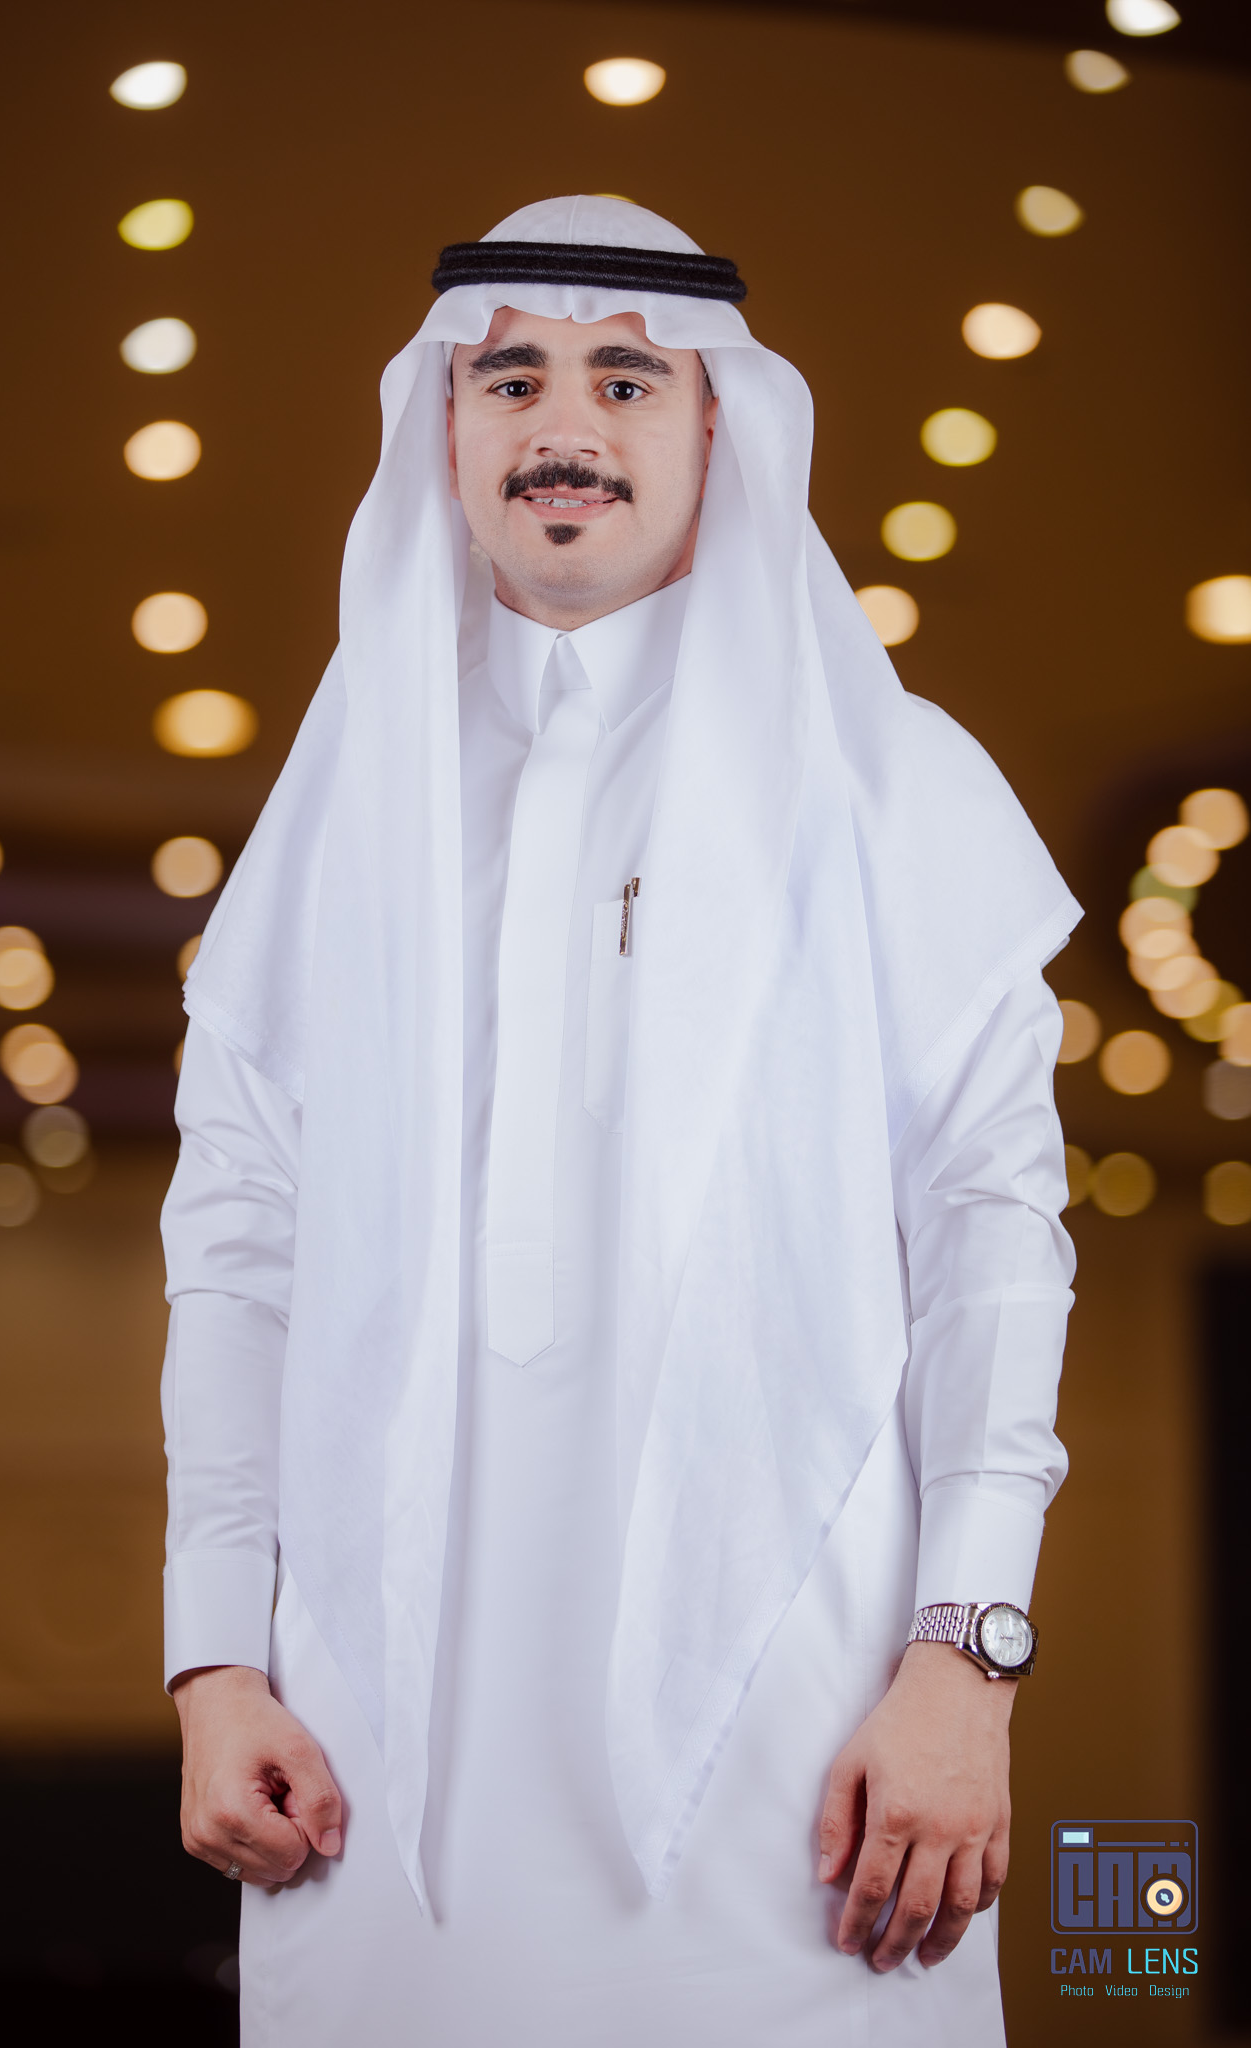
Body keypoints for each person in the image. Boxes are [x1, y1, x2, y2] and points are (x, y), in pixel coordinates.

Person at [161, 195, 1078, 2045]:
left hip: (809, 1729)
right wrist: (213, 1658)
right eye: (511, 377)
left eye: (626, 378)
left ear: (716, 425)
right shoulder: (339, 817)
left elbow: (993, 1233)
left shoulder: (888, 784)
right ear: (445, 428)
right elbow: (236, 1252)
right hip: (369, 1742)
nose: (562, 422)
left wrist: (963, 1657)